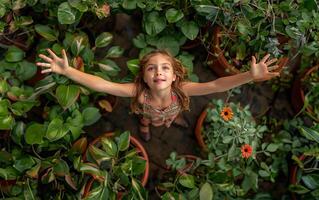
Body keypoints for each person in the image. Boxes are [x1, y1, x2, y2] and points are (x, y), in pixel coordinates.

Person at [36, 49, 280, 141]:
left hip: (173, 110)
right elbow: (102, 84)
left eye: (165, 67)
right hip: (147, 112)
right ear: (143, 77)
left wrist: (249, 75)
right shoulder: (138, 93)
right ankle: (146, 129)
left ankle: (169, 122)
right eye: (151, 68)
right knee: (148, 121)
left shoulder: (182, 90)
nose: (158, 72)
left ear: (175, 76)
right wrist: (68, 71)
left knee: (170, 118)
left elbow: (216, 85)